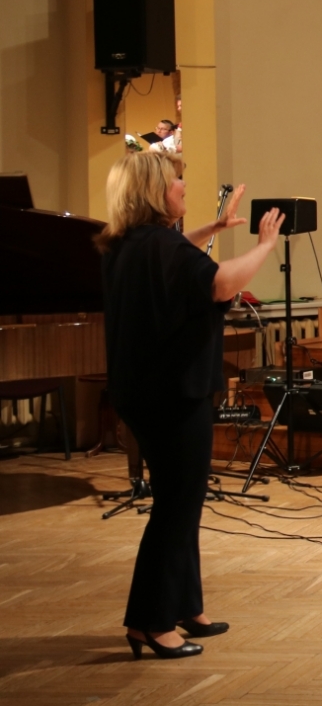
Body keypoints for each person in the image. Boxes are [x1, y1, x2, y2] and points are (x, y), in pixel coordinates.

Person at [97, 153, 284, 659]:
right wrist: (264, 245)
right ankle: (149, 622)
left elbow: (177, 252)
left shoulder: (125, 243)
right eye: (177, 180)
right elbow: (222, 282)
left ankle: (185, 605)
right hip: (174, 393)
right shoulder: (158, 244)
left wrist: (215, 226)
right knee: (177, 507)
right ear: (155, 190)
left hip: (144, 391)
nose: (182, 187)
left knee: (183, 500)